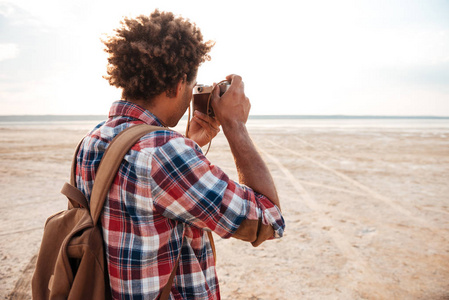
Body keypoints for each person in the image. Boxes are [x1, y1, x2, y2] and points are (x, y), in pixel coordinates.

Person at [76, 10, 285, 299]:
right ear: (177, 85)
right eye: (190, 88)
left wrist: (189, 145)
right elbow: (269, 219)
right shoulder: (164, 152)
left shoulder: (92, 140)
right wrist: (235, 125)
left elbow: (144, 209)